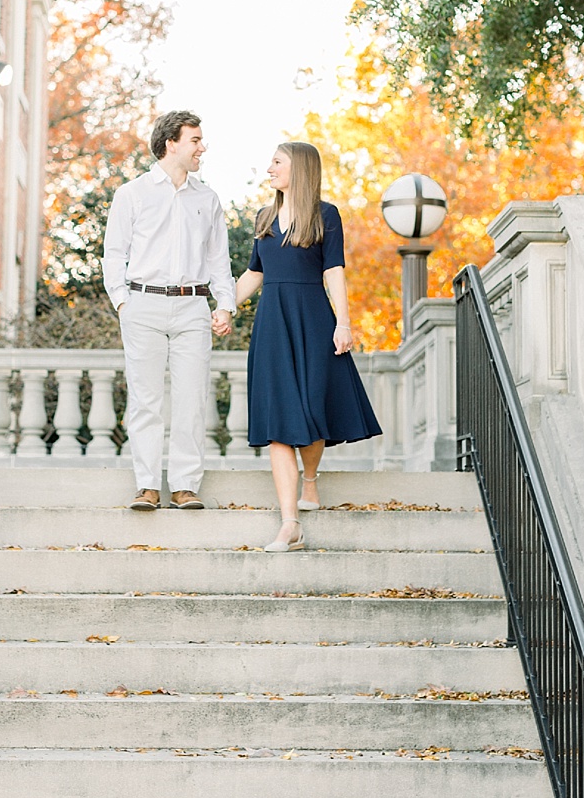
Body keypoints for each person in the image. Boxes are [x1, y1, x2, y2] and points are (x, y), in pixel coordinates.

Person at [232, 140, 381, 551]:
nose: (269, 169)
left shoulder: (325, 215)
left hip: (314, 319)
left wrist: (344, 323)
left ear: (299, 168)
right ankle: (290, 523)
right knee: (280, 421)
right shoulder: (264, 217)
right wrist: (223, 307)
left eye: (276, 162)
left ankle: (310, 482)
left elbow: (334, 270)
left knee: (313, 409)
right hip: (273, 325)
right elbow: (253, 274)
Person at [102, 110, 235, 511]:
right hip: (142, 303)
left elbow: (218, 260)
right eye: (195, 139)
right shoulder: (132, 194)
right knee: (145, 400)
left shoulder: (207, 198)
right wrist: (123, 302)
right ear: (170, 143)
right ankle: (146, 485)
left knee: (192, 399)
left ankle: (184, 485)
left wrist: (225, 304)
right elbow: (113, 254)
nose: (202, 147)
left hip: (193, 306)